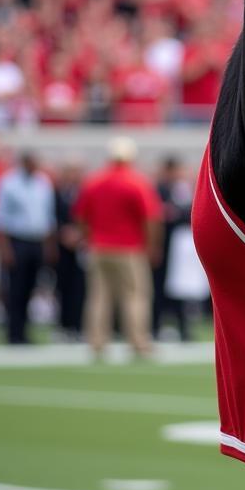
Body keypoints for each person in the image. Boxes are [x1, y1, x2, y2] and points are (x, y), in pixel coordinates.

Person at [74, 138, 161, 360]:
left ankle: (96, 342)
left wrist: (88, 237)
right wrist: (152, 247)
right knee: (135, 296)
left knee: (99, 297)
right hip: (129, 248)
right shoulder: (136, 182)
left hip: (99, 247)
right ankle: (138, 341)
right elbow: (151, 219)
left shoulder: (94, 181)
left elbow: (81, 216)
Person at [0, 152, 56, 344]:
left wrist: (49, 246)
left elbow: (47, 217)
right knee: (15, 289)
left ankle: (24, 330)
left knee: (30, 287)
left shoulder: (43, 182)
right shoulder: (8, 183)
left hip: (37, 240)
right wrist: (5, 248)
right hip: (16, 240)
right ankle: (13, 331)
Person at [152, 156, 193, 341]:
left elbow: (186, 213)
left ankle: (182, 327)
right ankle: (156, 326)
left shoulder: (181, 190)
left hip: (178, 249)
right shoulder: (158, 190)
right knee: (159, 287)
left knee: (180, 289)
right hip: (163, 245)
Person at [54, 161, 87, 341]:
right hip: (62, 246)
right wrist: (62, 232)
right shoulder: (57, 193)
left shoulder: (85, 191)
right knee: (63, 286)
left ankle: (78, 325)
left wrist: (80, 234)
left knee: (80, 288)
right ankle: (63, 325)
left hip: (81, 245)